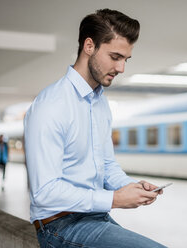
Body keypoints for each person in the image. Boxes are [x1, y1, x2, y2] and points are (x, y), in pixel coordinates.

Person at [24, 8, 166, 248]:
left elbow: (107, 165)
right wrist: (114, 199)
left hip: (95, 217)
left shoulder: (99, 101)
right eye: (115, 57)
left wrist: (131, 187)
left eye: (125, 59)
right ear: (89, 46)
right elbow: (44, 192)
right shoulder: (51, 105)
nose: (121, 68)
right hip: (58, 225)